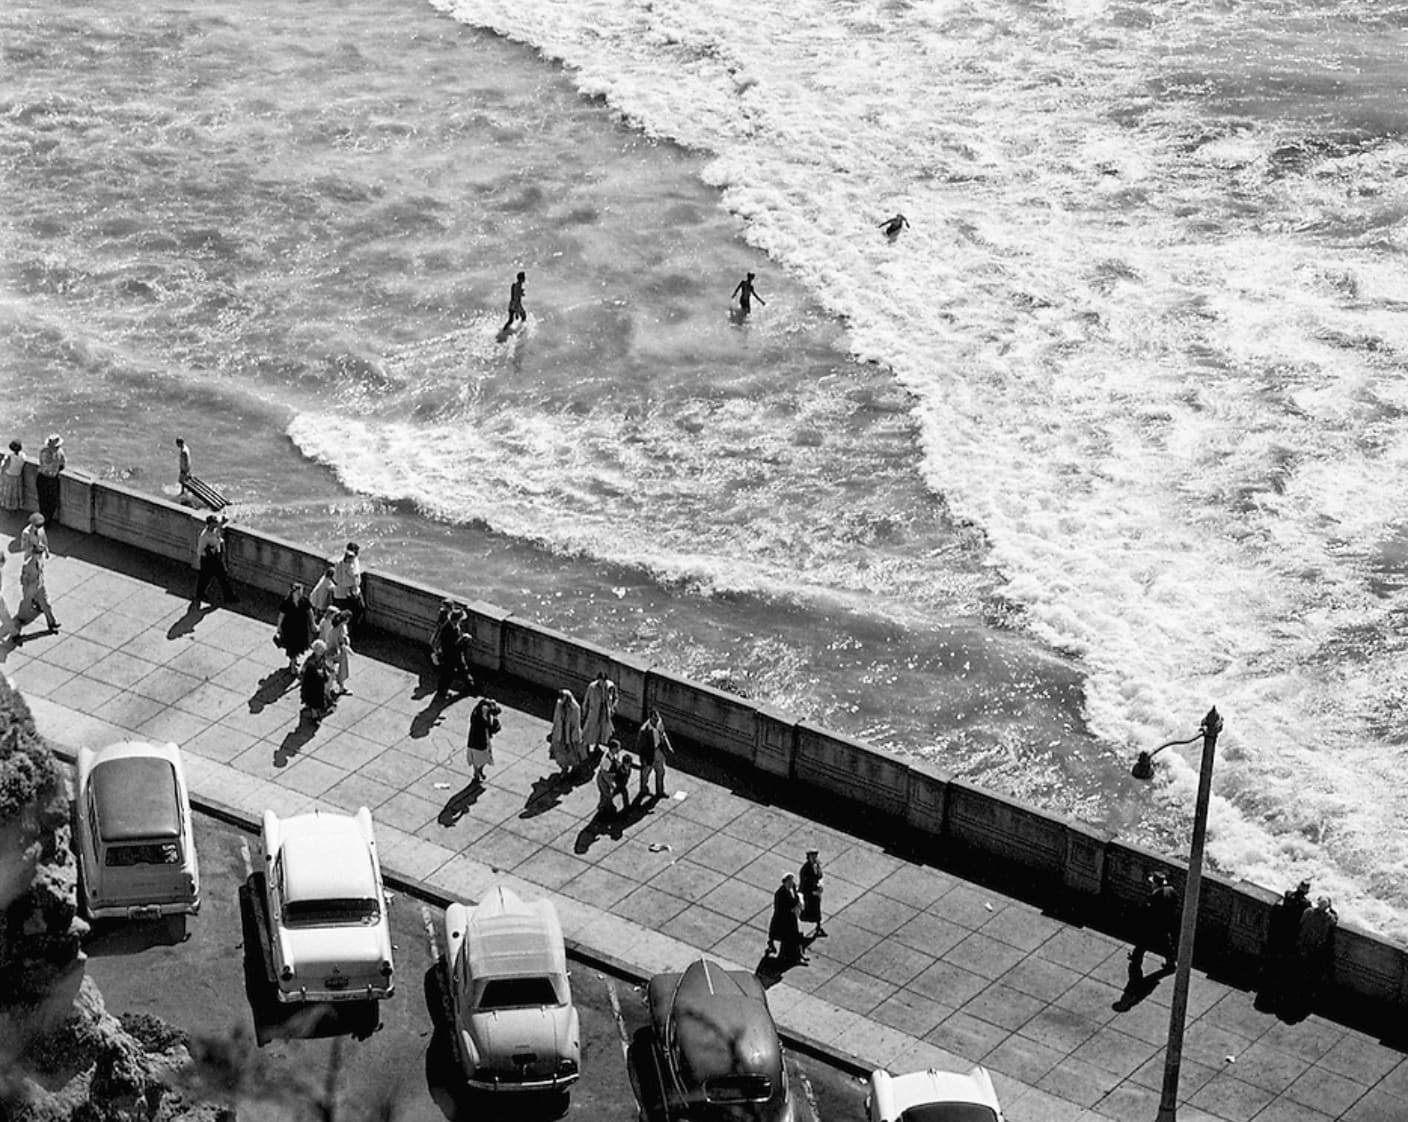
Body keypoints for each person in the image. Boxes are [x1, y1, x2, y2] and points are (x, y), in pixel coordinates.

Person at [1259, 879, 1312, 1007]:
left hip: (1280, 929)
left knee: (1275, 953)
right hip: (1292, 933)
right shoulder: (1306, 904)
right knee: (1285, 957)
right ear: (1307, 891)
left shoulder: (1288, 894)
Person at [1130, 871, 1180, 972]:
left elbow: (1150, 913)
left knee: (1142, 944)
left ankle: (1136, 960)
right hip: (1166, 924)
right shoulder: (1171, 891)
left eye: (1152, 883)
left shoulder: (1155, 897)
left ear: (1155, 884)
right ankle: (1171, 963)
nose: (1151, 885)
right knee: (1167, 945)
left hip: (1154, 925)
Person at [11, 550, 59, 638]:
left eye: (40, 554)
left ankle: (52, 624)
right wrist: (27, 590)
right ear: (33, 554)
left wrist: (41, 582)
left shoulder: (40, 561)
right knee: (26, 605)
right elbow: (23, 579)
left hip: (40, 587)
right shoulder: (28, 565)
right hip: (30, 589)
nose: (40, 556)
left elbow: (41, 572)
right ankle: (19, 620)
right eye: (38, 554)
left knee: (46, 605)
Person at [193, 514, 237, 607]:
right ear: (209, 524)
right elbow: (199, 551)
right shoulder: (204, 536)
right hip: (207, 560)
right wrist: (209, 551)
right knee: (205, 578)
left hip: (216, 558)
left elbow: (220, 532)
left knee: (222, 577)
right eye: (214, 523)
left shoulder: (216, 530)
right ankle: (200, 594)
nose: (216, 524)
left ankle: (228, 597)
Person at [275, 582, 315, 673]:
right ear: (293, 592)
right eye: (298, 592)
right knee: (293, 647)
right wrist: (279, 627)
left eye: (301, 591)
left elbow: (310, 612)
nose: (300, 594)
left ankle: (293, 662)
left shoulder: (304, 600)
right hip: (290, 628)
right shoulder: (287, 602)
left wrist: (313, 624)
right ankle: (293, 667)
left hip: (301, 627)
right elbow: (281, 616)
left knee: (298, 647)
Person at [768, 875, 807, 964]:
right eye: (789, 881)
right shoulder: (780, 893)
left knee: (795, 938)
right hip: (783, 920)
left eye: (792, 881)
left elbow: (796, 898)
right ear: (785, 882)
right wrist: (790, 909)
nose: (791, 883)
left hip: (791, 918)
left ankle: (798, 956)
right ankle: (791, 957)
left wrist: (796, 905)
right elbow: (778, 907)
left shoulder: (792, 889)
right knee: (788, 939)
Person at [635, 708, 673, 800]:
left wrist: (668, 746)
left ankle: (660, 791)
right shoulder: (644, 730)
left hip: (658, 750)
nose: (656, 721)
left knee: (661, 771)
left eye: (657, 718)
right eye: (654, 719)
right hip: (649, 753)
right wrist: (643, 759)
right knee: (646, 773)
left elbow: (663, 734)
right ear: (650, 719)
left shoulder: (659, 723)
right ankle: (643, 790)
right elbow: (640, 746)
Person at [548, 688, 586, 776]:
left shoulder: (575, 708)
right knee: (560, 752)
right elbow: (556, 718)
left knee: (573, 752)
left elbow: (576, 724)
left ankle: (574, 768)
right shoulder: (559, 704)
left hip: (571, 733)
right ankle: (564, 768)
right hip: (560, 732)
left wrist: (574, 737)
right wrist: (553, 730)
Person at [466, 698, 502, 785]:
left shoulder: (479, 711)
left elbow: (497, 710)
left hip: (473, 740)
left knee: (478, 758)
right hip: (481, 741)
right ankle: (477, 772)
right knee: (484, 757)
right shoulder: (481, 719)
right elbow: (493, 728)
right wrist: (496, 719)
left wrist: (493, 707)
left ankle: (478, 772)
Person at [331, 542, 364, 635]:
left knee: (359, 609)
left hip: (354, 591)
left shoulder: (355, 560)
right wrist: (347, 568)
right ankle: (346, 633)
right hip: (344, 594)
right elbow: (337, 579)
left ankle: (352, 631)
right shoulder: (340, 563)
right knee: (346, 614)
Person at [300, 639, 336, 722]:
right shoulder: (310, 661)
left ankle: (316, 712)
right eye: (321, 650)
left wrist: (329, 671)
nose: (322, 652)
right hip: (311, 682)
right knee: (313, 698)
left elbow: (324, 665)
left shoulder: (321, 658)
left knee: (318, 697)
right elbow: (304, 671)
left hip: (319, 681)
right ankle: (314, 716)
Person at [582, 670, 618, 751]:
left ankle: (597, 746)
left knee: (602, 730)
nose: (602, 683)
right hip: (594, 711)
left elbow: (615, 697)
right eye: (601, 681)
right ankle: (586, 745)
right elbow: (586, 699)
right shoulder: (592, 687)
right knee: (590, 729)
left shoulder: (610, 686)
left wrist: (613, 707)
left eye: (603, 681)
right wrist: (584, 711)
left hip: (604, 711)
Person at [595, 739, 630, 818]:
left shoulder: (613, 755)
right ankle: (602, 812)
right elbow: (604, 773)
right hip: (603, 779)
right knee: (606, 796)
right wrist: (610, 783)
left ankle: (605, 809)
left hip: (608, 777)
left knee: (605, 796)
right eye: (618, 747)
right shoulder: (607, 760)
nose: (619, 749)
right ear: (613, 748)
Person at [321, 608, 353, 693]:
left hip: (339, 652)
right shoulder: (335, 630)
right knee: (335, 671)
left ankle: (340, 686)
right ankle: (332, 689)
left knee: (340, 670)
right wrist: (343, 646)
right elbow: (335, 642)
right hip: (335, 653)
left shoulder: (340, 627)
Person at [36, 434, 65, 526]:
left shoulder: (43, 451)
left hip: (42, 477)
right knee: (51, 502)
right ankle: (47, 521)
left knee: (43, 501)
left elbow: (40, 462)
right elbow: (62, 465)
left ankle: (43, 520)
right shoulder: (60, 453)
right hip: (51, 480)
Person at [800, 850, 827, 938]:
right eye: (812, 857)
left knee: (817, 909)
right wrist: (812, 891)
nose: (814, 858)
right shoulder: (805, 869)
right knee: (807, 910)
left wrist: (819, 885)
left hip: (815, 892)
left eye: (815, 856)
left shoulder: (816, 865)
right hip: (809, 893)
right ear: (808, 858)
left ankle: (818, 927)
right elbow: (805, 883)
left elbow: (820, 875)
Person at [0, 440, 23, 512]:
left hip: (9, 476)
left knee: (8, 492)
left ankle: (7, 505)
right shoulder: (23, 455)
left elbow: (4, 466)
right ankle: (15, 506)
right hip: (17, 476)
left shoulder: (9, 457)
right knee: (15, 492)